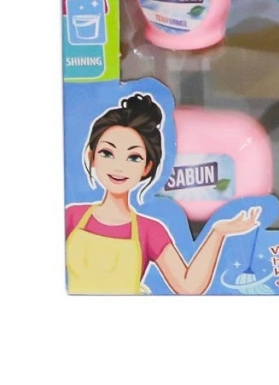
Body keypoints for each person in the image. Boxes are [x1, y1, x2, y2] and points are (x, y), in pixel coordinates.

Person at [65, 93, 259, 294]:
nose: (119, 166)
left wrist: (218, 232)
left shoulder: (150, 230)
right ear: (92, 156)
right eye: (107, 153)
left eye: (133, 157)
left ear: (147, 167)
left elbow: (189, 286)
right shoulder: (71, 216)